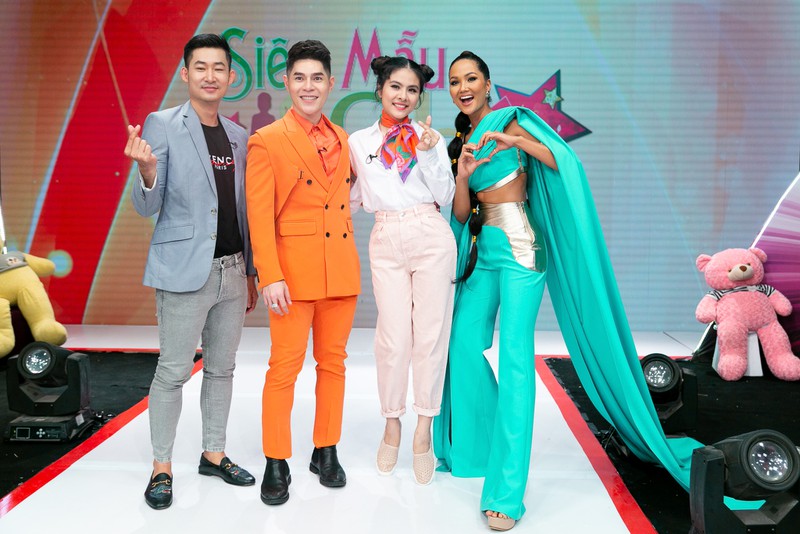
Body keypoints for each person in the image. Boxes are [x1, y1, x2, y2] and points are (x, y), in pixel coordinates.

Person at [124, 33, 258, 511]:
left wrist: (250, 272)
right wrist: (146, 171)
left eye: (219, 67)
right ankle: (161, 466)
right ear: (185, 73)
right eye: (201, 67)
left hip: (232, 271)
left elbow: (242, 211)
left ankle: (213, 453)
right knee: (174, 371)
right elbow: (147, 206)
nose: (210, 75)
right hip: (184, 271)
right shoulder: (162, 125)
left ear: (231, 76)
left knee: (222, 369)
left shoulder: (239, 136)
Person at [433, 50, 564, 531]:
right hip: (484, 249)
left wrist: (515, 140)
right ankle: (484, 444)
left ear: (488, 84)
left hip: (522, 248)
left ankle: (507, 495)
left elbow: (561, 160)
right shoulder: (459, 141)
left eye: (471, 78)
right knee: (462, 345)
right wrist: (462, 177)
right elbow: (462, 213)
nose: (463, 87)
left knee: (515, 361)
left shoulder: (513, 119)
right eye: (454, 81)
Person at [246, 40, 360, 506]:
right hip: (290, 277)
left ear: (330, 84)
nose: (308, 87)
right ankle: (276, 459)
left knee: (333, 365)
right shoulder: (267, 139)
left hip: (341, 272)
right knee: (284, 368)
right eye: (299, 78)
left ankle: (325, 450)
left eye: (317, 78)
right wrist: (269, 274)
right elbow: (258, 216)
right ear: (286, 82)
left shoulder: (345, 139)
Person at [348, 56, 456, 485]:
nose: (403, 96)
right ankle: (391, 422)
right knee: (393, 339)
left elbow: (446, 194)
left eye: (412, 90)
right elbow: (354, 195)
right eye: (395, 86)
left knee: (431, 335)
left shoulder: (430, 138)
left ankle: (423, 429)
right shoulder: (357, 142)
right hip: (386, 236)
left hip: (430, 232)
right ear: (380, 89)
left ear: (419, 96)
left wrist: (428, 154)